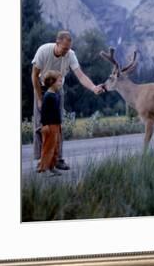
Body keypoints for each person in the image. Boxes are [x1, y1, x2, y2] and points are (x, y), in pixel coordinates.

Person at [31, 30, 104, 170]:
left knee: (58, 125)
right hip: (41, 88)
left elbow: (81, 76)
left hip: (58, 90)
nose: (67, 51)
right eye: (64, 48)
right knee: (40, 126)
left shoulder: (70, 55)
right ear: (57, 43)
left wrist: (94, 88)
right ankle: (41, 160)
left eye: (69, 48)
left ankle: (58, 159)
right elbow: (34, 76)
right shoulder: (43, 51)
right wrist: (40, 99)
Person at [37, 71, 63, 176]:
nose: (61, 83)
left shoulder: (55, 95)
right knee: (48, 147)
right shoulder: (48, 96)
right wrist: (45, 125)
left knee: (55, 147)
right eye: (60, 81)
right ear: (52, 82)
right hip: (49, 125)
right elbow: (44, 112)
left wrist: (60, 124)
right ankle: (44, 168)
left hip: (56, 124)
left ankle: (52, 167)